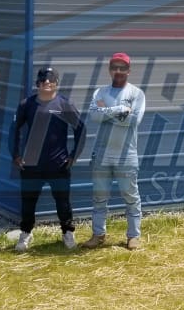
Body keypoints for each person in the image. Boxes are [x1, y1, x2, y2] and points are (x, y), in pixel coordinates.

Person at [8, 66, 85, 250]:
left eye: (51, 80)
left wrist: (74, 156)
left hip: (58, 165)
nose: (47, 83)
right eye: (43, 80)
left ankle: (68, 233)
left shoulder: (64, 105)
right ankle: (25, 234)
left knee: (63, 202)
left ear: (57, 83)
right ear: (37, 84)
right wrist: (16, 154)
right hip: (31, 165)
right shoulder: (26, 105)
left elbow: (80, 129)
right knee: (28, 202)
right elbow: (14, 130)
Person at [82, 52, 146, 249]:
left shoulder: (137, 94)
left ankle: (133, 236)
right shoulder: (100, 92)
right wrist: (119, 110)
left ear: (129, 70)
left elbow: (134, 120)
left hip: (126, 155)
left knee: (130, 196)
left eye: (122, 68)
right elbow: (94, 116)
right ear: (110, 70)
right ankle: (98, 235)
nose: (118, 71)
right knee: (99, 197)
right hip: (102, 153)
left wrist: (106, 112)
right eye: (114, 67)